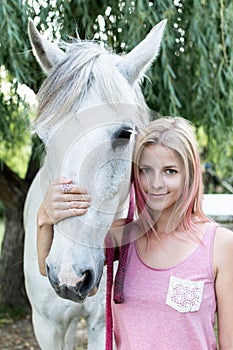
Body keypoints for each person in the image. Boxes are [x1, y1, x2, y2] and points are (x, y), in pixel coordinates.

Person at [37, 116, 233, 349]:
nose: (156, 183)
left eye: (170, 171)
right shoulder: (124, 236)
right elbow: (55, 270)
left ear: (190, 175)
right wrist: (45, 216)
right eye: (146, 170)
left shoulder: (220, 245)